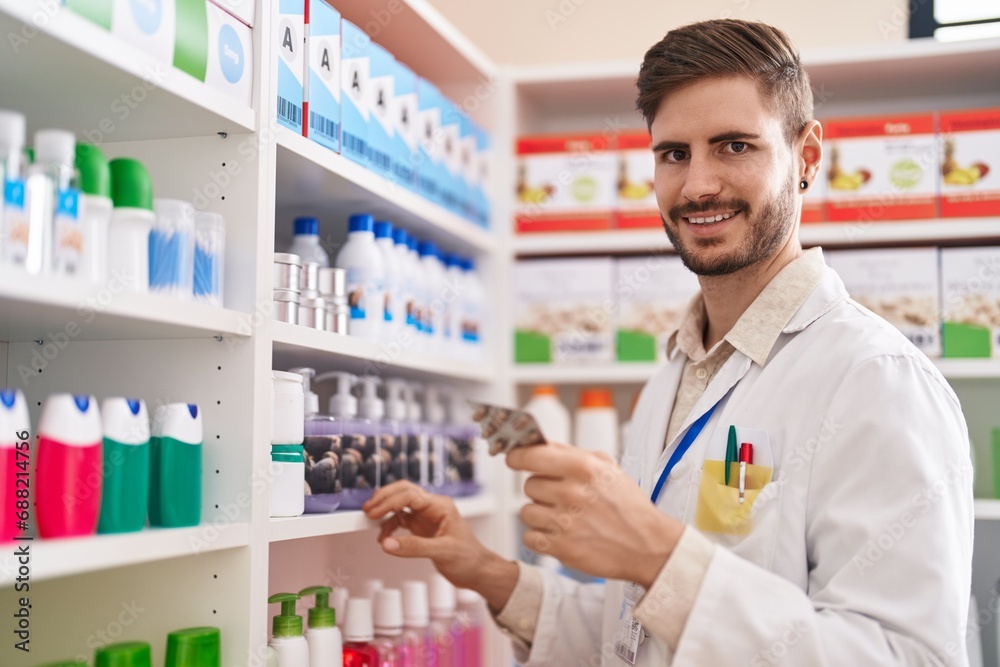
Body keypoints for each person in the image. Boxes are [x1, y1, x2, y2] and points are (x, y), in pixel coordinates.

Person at [363, 18, 974, 666]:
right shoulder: (672, 379)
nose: (698, 185)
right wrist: (486, 569)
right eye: (673, 153)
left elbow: (908, 655)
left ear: (808, 157)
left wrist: (657, 550)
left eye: (735, 146)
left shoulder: (874, 379)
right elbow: (637, 628)